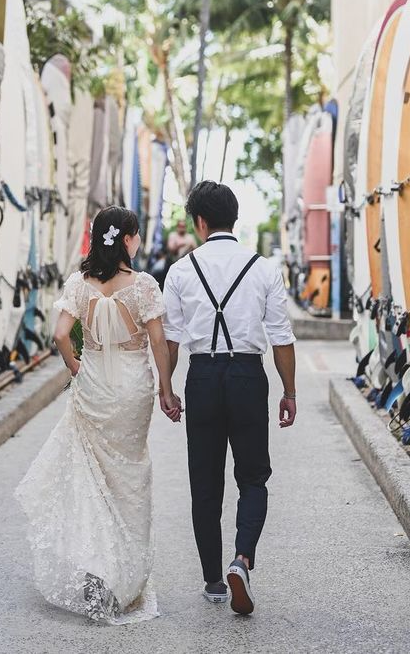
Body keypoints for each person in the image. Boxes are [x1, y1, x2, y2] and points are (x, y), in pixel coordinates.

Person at [16, 205, 172, 624]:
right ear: (127, 239)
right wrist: (167, 389)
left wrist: (76, 368)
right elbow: (158, 343)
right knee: (129, 480)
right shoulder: (143, 287)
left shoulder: (79, 285)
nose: (138, 242)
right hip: (132, 388)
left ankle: (97, 574)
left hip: (94, 385)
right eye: (136, 235)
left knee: (93, 481)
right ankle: (124, 581)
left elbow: (60, 335)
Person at [160, 181, 296, 616]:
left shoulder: (181, 271)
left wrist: (167, 388)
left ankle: (214, 582)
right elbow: (282, 338)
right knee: (253, 477)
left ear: (199, 222)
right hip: (247, 375)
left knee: (205, 481)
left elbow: (171, 340)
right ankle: (242, 558)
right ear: (233, 218)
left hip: (202, 376)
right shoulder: (263, 268)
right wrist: (289, 392)